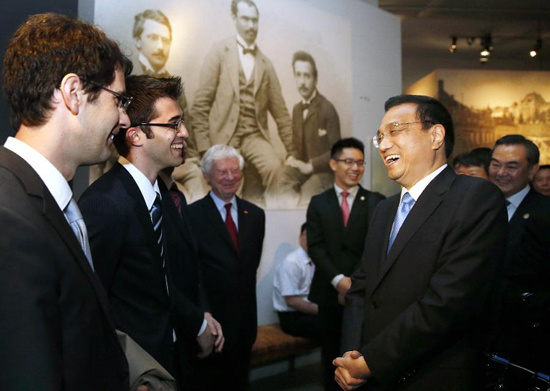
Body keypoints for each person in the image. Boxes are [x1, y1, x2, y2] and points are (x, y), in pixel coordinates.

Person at [334, 95, 507, 390]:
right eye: (380, 137)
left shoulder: (475, 198)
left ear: (436, 135)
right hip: (370, 374)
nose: (384, 144)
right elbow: (361, 288)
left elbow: (449, 302)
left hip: (434, 375)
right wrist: (351, 357)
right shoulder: (384, 209)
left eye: (395, 130)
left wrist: (371, 361)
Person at [0, 13, 131, 390]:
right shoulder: (10, 221)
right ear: (73, 93)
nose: (123, 119)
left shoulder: (52, 201)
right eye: (118, 100)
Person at [78, 75, 223, 387]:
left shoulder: (161, 197)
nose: (184, 132)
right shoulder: (105, 204)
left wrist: (200, 318)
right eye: (173, 124)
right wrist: (129, 374)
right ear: (136, 136)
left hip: (173, 360)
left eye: (182, 122)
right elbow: (90, 309)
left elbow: (166, 280)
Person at [191, 0, 296, 207]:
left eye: (254, 20)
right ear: (234, 19)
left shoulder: (266, 64)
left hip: (255, 136)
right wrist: (205, 150)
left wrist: (292, 151)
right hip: (223, 136)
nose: (251, 26)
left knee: (276, 169)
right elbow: (200, 106)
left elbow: (281, 112)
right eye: (245, 19)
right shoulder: (219, 52)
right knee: (225, 180)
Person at [306, 137, 385, 391]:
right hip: (330, 293)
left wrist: (355, 284)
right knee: (331, 355)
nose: (355, 168)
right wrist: (339, 281)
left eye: (360, 162)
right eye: (348, 161)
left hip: (365, 293)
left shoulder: (377, 202)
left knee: (360, 357)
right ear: (333, 164)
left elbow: (377, 249)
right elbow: (316, 247)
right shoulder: (319, 202)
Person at [189, 144, 265, 390]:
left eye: (235, 171)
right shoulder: (191, 216)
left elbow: (249, 267)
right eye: (223, 172)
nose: (231, 177)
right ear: (207, 176)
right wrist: (202, 316)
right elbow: (192, 273)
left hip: (244, 324)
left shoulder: (255, 215)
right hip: (211, 323)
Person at [131, 9, 207, 203]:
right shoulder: (126, 82)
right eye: (153, 37)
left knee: (196, 176)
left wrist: (195, 157)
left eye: (165, 40)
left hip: (173, 160)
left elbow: (188, 129)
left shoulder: (174, 88)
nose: (160, 46)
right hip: (136, 161)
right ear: (138, 41)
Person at [488, 135, 550, 374]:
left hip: (526, 341)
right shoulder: (476, 208)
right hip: (478, 337)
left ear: (533, 170)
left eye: (512, 166)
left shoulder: (544, 213)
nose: (501, 172)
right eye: (495, 164)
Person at [284, 51, 341, 207]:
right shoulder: (296, 110)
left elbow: (337, 152)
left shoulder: (327, 108)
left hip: (324, 173)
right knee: (281, 180)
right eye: (298, 75)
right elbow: (296, 146)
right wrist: (291, 157)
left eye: (307, 76)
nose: (302, 82)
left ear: (315, 79)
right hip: (303, 170)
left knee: (306, 198)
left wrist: (312, 166)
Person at [273, 223, 320, 341]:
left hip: (308, 312)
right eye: (308, 235)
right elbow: (292, 301)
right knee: (332, 326)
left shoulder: (316, 259)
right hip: (292, 317)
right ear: (301, 237)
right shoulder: (292, 262)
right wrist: (323, 310)